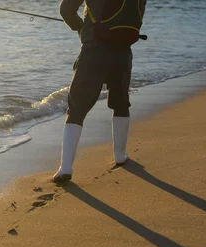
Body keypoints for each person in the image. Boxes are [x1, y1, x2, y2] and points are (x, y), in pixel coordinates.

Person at [54, 0, 145, 183]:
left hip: (93, 52)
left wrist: (81, 28)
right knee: (121, 103)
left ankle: (66, 168)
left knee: (77, 109)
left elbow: (66, 10)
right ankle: (120, 155)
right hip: (122, 53)